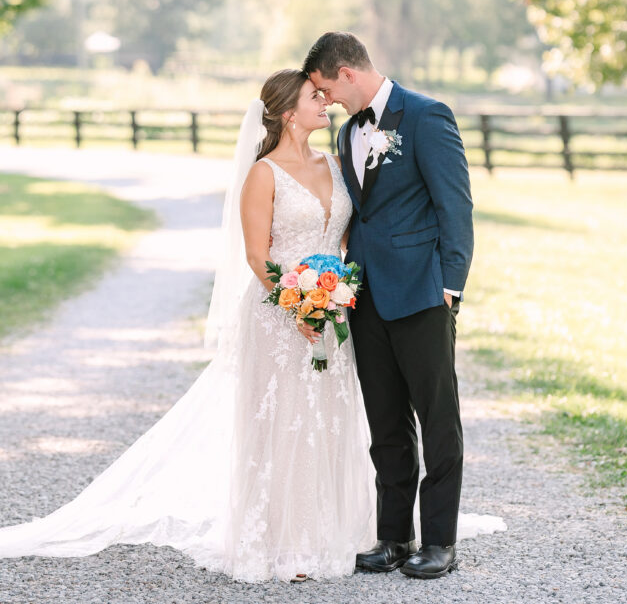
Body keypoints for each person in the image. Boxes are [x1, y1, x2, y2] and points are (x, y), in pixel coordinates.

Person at [0, 69, 375, 582]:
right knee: (282, 423)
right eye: (315, 97)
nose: (325, 102)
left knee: (326, 419)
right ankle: (280, 543)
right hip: (279, 316)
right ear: (289, 113)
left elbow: (345, 241)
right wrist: (297, 306)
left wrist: (333, 297)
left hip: (331, 315)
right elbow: (256, 255)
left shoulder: (334, 163)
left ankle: (328, 531)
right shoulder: (264, 174)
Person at [305, 32, 487, 580]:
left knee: (437, 419)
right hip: (365, 298)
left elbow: (455, 206)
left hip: (423, 293)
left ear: (347, 73)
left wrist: (450, 285)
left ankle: (440, 542)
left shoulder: (428, 116)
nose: (326, 100)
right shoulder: (346, 134)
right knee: (385, 422)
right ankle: (393, 537)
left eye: (325, 88)